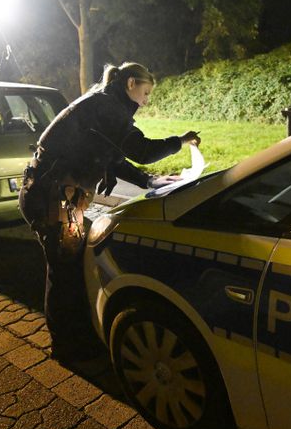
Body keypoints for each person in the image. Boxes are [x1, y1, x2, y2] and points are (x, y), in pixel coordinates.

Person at [19, 62, 200, 357]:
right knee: (64, 272)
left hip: (51, 193)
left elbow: (113, 157)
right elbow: (142, 150)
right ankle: (66, 347)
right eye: (145, 92)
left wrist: (149, 179)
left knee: (70, 268)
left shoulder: (104, 104)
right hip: (50, 197)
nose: (146, 100)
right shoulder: (107, 107)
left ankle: (73, 339)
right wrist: (181, 141)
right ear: (131, 83)